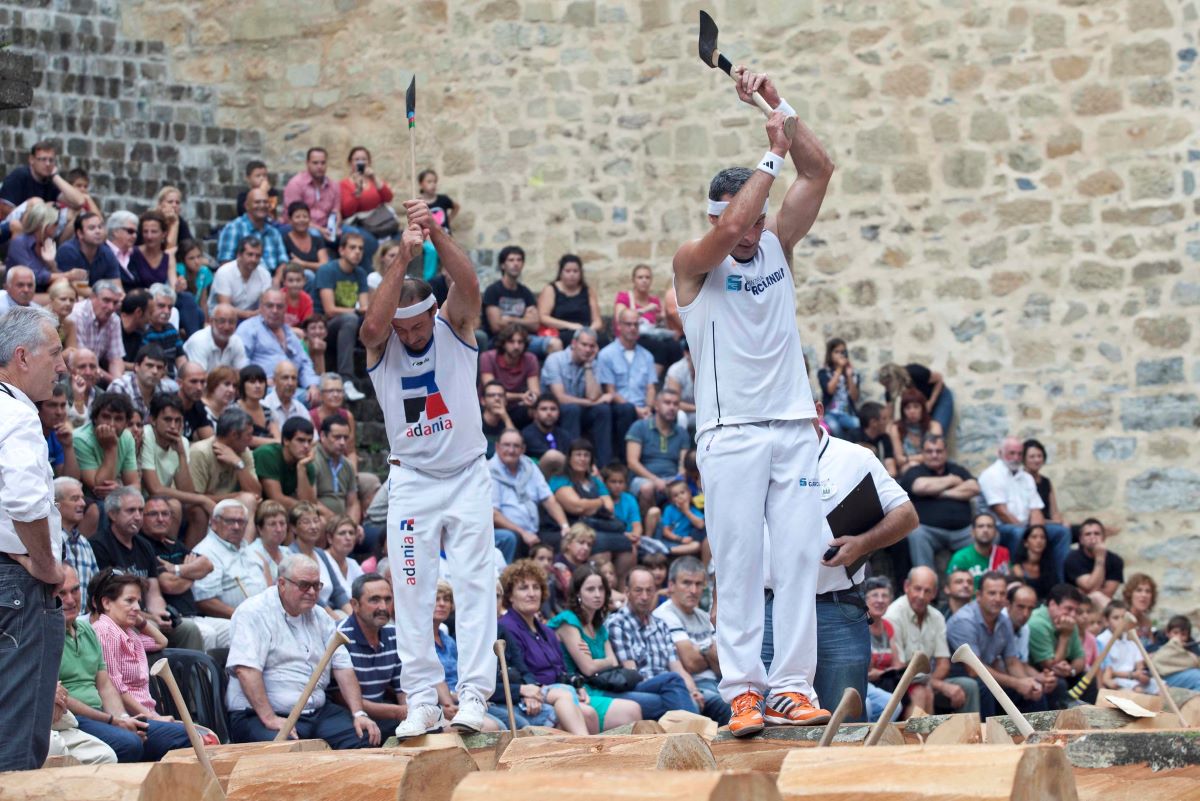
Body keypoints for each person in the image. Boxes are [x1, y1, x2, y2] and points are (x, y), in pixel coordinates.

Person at [672, 66, 837, 736]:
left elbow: (820, 171)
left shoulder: (774, 241)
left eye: (757, 219)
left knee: (799, 559)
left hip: (793, 425)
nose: (750, 231)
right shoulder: (692, 261)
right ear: (715, 217)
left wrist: (777, 103)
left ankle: (792, 685)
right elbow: (738, 215)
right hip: (728, 431)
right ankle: (741, 688)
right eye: (739, 219)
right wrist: (770, 150)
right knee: (737, 565)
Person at [359, 200, 498, 737]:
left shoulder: (453, 324)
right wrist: (402, 256)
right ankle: (421, 699)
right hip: (413, 480)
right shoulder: (383, 341)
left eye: (420, 325)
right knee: (412, 588)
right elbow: (372, 324)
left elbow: (468, 282)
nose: (414, 335)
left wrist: (435, 232)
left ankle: (474, 696)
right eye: (406, 327)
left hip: (466, 474)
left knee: (473, 583)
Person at [761, 407, 917, 722]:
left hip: (834, 608)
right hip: (768, 608)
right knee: (765, 727)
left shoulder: (854, 458)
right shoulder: (760, 458)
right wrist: (721, 595)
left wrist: (864, 543)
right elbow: (730, 533)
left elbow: (907, 515)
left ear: (817, 411)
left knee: (842, 725)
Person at [0, 306, 68, 771]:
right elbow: (25, 501)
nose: (61, 366)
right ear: (22, 357)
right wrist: (46, 564)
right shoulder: (18, 417)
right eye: (56, 353)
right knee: (18, 739)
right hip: (18, 588)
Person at [225, 553, 381, 747]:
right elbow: (246, 670)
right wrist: (269, 718)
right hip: (258, 715)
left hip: (318, 712)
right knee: (288, 752)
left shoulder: (321, 616)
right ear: (282, 584)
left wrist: (359, 713)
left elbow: (343, 666)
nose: (312, 592)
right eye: (304, 585)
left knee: (365, 736)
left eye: (317, 585)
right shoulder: (253, 612)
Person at [80, 569, 194, 760]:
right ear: (106, 603)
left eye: (138, 601)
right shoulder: (104, 631)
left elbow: (161, 641)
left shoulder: (128, 632)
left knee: (203, 736)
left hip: (147, 715)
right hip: (131, 718)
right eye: (129, 600)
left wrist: (139, 620)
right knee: (190, 737)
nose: (137, 606)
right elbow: (116, 687)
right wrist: (154, 717)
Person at [89, 486, 205, 652]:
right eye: (130, 511)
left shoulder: (144, 545)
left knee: (188, 629)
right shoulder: (100, 545)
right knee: (151, 628)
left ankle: (189, 678)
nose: (137, 516)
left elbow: (154, 593)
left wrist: (161, 614)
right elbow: (108, 602)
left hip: (147, 616)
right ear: (112, 514)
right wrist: (150, 618)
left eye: (140, 510)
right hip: (121, 618)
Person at [547, 564, 661, 729]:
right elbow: (588, 668)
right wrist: (603, 661)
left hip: (599, 685)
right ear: (578, 593)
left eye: (601, 589)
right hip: (579, 690)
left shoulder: (598, 625)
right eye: (590, 589)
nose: (597, 595)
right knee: (637, 708)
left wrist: (599, 662)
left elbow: (613, 662)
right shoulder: (568, 621)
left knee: (655, 698)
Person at [497, 560, 600, 734]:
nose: (531, 594)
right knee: (585, 711)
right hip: (533, 695)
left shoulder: (546, 630)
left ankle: (593, 754)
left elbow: (562, 669)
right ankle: (591, 753)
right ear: (510, 596)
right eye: (523, 588)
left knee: (588, 711)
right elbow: (516, 672)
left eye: (536, 587)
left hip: (558, 692)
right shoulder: (506, 627)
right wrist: (526, 692)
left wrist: (578, 686)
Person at [946, 572, 1047, 717]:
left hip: (986, 676)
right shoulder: (964, 621)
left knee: (1033, 692)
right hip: (959, 678)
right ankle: (990, 738)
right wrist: (1017, 684)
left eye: (1002, 593)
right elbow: (974, 669)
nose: (998, 599)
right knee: (987, 688)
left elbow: (1012, 662)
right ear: (979, 595)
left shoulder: (1004, 620)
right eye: (992, 593)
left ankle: (1039, 737)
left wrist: (1028, 683)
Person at [608, 566, 704, 717]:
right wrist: (669, 684)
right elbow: (631, 673)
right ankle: (698, 735)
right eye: (638, 590)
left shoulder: (660, 624)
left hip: (669, 687)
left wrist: (694, 691)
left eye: (649, 590)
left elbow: (677, 667)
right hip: (638, 685)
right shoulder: (617, 623)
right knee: (672, 681)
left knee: (711, 701)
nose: (645, 597)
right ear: (627, 592)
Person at [136, 495, 228, 651]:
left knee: (233, 628)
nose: (160, 519)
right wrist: (193, 574)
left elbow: (207, 565)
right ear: (142, 518)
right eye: (153, 514)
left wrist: (176, 569)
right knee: (208, 634)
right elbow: (168, 584)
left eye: (165, 514)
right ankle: (203, 676)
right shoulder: (144, 546)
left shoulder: (175, 544)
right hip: (174, 617)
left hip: (194, 616)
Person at [884, 566, 979, 714]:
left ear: (934, 593)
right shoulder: (893, 615)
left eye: (927, 591)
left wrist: (931, 682)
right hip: (899, 682)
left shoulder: (937, 616)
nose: (921, 596)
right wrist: (937, 685)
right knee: (922, 692)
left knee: (969, 686)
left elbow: (943, 664)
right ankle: (916, 737)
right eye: (917, 589)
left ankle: (971, 735)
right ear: (906, 586)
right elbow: (899, 669)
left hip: (927, 679)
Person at [978, 436, 1070, 581]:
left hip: (1026, 527)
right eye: (1011, 453)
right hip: (1002, 527)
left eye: (1019, 454)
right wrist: (1029, 534)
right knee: (1019, 533)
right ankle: (1020, 582)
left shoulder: (1026, 477)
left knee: (1061, 532)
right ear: (1000, 453)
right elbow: (1002, 512)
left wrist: (1037, 532)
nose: (1016, 457)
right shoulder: (991, 474)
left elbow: (1036, 510)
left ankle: (1059, 581)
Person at [652, 557, 731, 724]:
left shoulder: (704, 616)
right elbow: (690, 662)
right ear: (671, 585)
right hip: (691, 686)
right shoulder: (664, 615)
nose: (693, 590)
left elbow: (723, 664)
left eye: (698, 584)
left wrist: (701, 652)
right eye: (686, 583)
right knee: (730, 707)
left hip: (717, 682)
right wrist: (708, 652)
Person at [549, 439, 636, 581]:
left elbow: (609, 507)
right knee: (602, 549)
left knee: (629, 548)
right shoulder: (560, 479)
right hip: (574, 528)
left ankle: (621, 588)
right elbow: (575, 506)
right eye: (578, 455)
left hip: (598, 526)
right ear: (569, 457)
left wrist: (587, 505)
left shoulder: (595, 481)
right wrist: (598, 502)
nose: (582, 459)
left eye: (586, 455)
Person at [336, 573, 407, 739]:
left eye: (388, 599)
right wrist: (398, 712)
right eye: (374, 600)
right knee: (365, 737)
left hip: (384, 713)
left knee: (426, 730)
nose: (383, 606)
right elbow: (340, 698)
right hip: (350, 715)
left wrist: (410, 714)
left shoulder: (393, 634)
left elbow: (402, 687)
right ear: (354, 604)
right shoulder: (339, 637)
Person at [899, 434, 980, 572]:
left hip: (963, 531)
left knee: (988, 533)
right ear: (922, 453)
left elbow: (974, 488)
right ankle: (925, 580)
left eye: (939, 451)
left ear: (945, 452)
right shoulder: (915, 471)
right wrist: (952, 481)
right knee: (916, 534)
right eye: (929, 451)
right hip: (929, 531)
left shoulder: (957, 469)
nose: (934, 455)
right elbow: (920, 487)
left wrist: (941, 492)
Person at [541, 327, 621, 466]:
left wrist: (588, 366)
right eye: (584, 345)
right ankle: (572, 462)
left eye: (592, 346)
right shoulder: (555, 360)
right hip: (556, 410)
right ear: (574, 343)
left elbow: (593, 396)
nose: (588, 350)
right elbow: (561, 398)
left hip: (581, 409)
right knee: (572, 409)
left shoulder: (594, 363)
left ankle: (605, 466)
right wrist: (591, 403)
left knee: (603, 410)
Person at [140, 393, 212, 542]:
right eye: (167, 420)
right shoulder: (146, 435)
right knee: (174, 506)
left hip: (163, 498)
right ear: (153, 420)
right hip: (142, 497)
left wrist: (181, 454)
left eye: (178, 421)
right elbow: (155, 489)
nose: (173, 426)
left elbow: (186, 491)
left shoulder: (182, 442)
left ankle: (188, 557)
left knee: (198, 511)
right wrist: (203, 499)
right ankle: (167, 554)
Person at [489, 428, 570, 560]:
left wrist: (565, 526)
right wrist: (523, 533)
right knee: (511, 538)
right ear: (497, 447)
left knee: (567, 539)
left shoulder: (529, 465)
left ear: (523, 449)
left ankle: (560, 577)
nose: (511, 450)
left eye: (516, 446)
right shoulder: (489, 471)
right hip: (511, 533)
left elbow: (548, 499)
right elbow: (493, 514)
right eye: (507, 445)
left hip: (534, 531)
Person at [237, 288, 321, 404]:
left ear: (285, 309)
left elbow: (305, 362)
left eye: (279, 306)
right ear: (261, 307)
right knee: (304, 399)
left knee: (329, 389)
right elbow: (240, 361)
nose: (275, 311)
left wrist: (312, 385)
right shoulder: (249, 329)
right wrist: (261, 380)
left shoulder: (289, 333)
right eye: (270, 306)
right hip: (266, 388)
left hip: (293, 385)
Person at [315, 233, 369, 395]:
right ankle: (346, 380)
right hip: (325, 326)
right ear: (341, 250)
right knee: (351, 318)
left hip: (350, 322)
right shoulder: (327, 270)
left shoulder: (360, 273)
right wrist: (358, 310)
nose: (357, 252)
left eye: (360, 248)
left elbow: (365, 306)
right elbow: (329, 309)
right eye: (352, 248)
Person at [482, 245, 560, 355]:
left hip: (524, 339)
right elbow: (496, 326)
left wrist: (510, 319)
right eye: (511, 260)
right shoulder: (493, 291)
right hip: (499, 340)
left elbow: (535, 325)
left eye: (519, 260)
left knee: (555, 344)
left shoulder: (526, 293)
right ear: (503, 265)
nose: (516, 263)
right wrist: (524, 320)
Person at [625, 389, 690, 515]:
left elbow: (683, 465)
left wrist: (676, 480)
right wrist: (655, 480)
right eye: (667, 403)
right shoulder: (639, 427)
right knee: (647, 488)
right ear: (656, 405)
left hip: (672, 479)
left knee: (682, 489)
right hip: (643, 478)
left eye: (675, 404)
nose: (672, 407)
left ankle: (674, 530)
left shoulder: (682, 432)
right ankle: (648, 529)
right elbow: (632, 462)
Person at [1025, 583, 1088, 707]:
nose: (1073, 615)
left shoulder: (1069, 622)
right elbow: (1049, 664)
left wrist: (1071, 670)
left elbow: (1081, 658)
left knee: (1085, 678)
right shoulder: (1037, 623)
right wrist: (1065, 636)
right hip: (1034, 670)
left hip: (1061, 669)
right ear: (1053, 604)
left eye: (1076, 610)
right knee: (1058, 683)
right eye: (1069, 609)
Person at [287, 502, 351, 617]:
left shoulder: (320, 553)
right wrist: (334, 618)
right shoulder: (291, 555)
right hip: (308, 614)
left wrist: (352, 617)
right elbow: (310, 593)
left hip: (332, 612)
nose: (313, 526)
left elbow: (337, 591)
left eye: (316, 521)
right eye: (306, 522)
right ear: (293, 528)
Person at [596, 308, 657, 427]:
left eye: (636, 324)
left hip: (644, 408)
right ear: (619, 326)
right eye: (628, 324)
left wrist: (648, 408)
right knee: (626, 410)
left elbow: (651, 388)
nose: (633, 328)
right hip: (619, 408)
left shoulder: (647, 356)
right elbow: (610, 390)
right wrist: (636, 410)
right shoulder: (606, 354)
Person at [339, 145, 395, 269]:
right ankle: (370, 275)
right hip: (358, 224)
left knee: (398, 239)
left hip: (378, 221)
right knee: (369, 242)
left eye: (364, 159)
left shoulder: (373, 180)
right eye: (357, 159)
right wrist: (357, 191)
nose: (361, 162)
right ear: (350, 163)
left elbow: (388, 197)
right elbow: (347, 211)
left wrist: (374, 178)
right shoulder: (345, 184)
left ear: (369, 162)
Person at [0, 141, 88, 218]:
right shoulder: (19, 176)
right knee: (36, 202)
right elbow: (5, 210)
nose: (47, 164)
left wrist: (55, 176)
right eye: (43, 159)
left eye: (51, 160)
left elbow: (79, 202)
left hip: (42, 229)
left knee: (77, 213)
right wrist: (42, 209)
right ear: (31, 160)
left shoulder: (50, 181)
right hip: (14, 226)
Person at [480, 323, 541, 430]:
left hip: (515, 407)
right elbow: (491, 391)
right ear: (503, 343)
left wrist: (532, 398)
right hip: (488, 405)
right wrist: (521, 396)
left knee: (535, 411)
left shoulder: (530, 359)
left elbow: (535, 391)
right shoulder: (488, 357)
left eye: (520, 342)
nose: (516, 346)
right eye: (511, 342)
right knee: (493, 400)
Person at [216, 188, 289, 277]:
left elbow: (283, 261)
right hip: (243, 279)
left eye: (265, 202)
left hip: (272, 279)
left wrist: (276, 280)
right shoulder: (234, 228)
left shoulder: (273, 232)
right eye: (257, 202)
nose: (262, 205)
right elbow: (225, 263)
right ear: (247, 205)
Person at [254, 416, 318, 513]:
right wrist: (305, 508)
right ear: (286, 441)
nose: (306, 446)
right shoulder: (267, 454)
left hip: (286, 511)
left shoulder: (305, 463)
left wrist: (301, 468)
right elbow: (276, 498)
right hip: (259, 507)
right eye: (300, 440)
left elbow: (310, 504)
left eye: (309, 441)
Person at [536, 253, 602, 346]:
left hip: (586, 331)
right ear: (561, 272)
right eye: (568, 271)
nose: (572, 274)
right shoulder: (551, 289)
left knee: (603, 340)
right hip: (562, 331)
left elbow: (597, 321)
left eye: (575, 271)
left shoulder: (588, 291)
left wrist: (589, 331)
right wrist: (569, 326)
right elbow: (543, 317)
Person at [68, 279, 126, 381]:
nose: (111, 307)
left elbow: (116, 359)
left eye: (115, 302)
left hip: (97, 374)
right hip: (75, 373)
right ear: (92, 297)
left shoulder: (114, 319)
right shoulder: (78, 315)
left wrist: (119, 383)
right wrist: (113, 381)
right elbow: (81, 359)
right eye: (106, 300)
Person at [877, 362, 954, 435]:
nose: (886, 388)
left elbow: (939, 379)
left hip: (940, 396)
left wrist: (930, 403)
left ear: (895, 379)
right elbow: (889, 410)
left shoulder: (916, 372)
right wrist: (889, 426)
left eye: (887, 384)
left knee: (937, 431)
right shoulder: (890, 389)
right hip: (920, 404)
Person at [1063, 518, 1124, 608]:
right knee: (1096, 596)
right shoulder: (1073, 558)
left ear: (1103, 537)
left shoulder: (1115, 560)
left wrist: (1086, 591)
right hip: (1078, 605)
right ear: (1081, 539)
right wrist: (1100, 558)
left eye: (1097, 533)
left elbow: (1108, 593)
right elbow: (1090, 587)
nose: (1093, 537)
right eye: (1088, 534)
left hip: (1103, 605)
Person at [1098, 600, 1156, 694]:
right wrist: (1132, 675)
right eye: (1116, 618)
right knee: (1138, 691)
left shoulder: (1130, 639)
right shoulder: (1102, 640)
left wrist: (1141, 673)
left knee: (1160, 687)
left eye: (1124, 617)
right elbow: (1107, 671)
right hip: (1118, 679)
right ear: (1106, 621)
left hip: (1134, 678)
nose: (1121, 621)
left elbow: (1139, 662)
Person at [283, 147, 339, 242]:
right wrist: (321, 230)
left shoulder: (333, 185)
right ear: (307, 163)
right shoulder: (296, 184)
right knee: (315, 235)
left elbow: (336, 212)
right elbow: (294, 217)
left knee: (358, 236)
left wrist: (335, 227)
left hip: (327, 227)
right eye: (315, 163)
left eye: (323, 163)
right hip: (302, 226)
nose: (319, 166)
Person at [312, 415, 361, 521]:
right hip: (319, 518)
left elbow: (353, 503)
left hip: (342, 523)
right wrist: (336, 522)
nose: (342, 442)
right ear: (323, 436)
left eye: (345, 438)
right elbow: (311, 501)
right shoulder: (312, 460)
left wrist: (351, 525)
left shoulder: (348, 465)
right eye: (337, 437)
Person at [212, 237, 272, 319]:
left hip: (253, 319)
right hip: (224, 319)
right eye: (250, 254)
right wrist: (249, 315)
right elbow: (225, 306)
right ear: (239, 255)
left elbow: (266, 304)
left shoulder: (264, 274)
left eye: (257, 256)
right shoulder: (224, 272)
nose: (254, 259)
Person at [946, 513, 1011, 589]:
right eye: (981, 526)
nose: (985, 530)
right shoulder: (961, 557)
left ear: (996, 532)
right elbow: (954, 588)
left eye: (989, 526)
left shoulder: (1003, 553)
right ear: (972, 532)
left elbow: (1008, 582)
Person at [888, 389, 942, 472]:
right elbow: (899, 460)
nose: (912, 411)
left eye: (916, 407)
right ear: (903, 411)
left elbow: (936, 454)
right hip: (908, 469)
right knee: (913, 466)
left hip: (932, 466)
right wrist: (923, 458)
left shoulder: (934, 426)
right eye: (908, 408)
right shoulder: (896, 428)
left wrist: (907, 459)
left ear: (922, 409)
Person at [183, 303, 248, 371]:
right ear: (211, 322)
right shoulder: (198, 341)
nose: (227, 327)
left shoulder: (236, 341)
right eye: (222, 321)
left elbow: (241, 372)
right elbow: (199, 377)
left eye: (231, 322)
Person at [817, 338, 860, 440]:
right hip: (830, 413)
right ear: (830, 354)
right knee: (835, 427)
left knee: (858, 424)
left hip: (847, 412)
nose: (840, 355)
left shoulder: (853, 373)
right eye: (836, 352)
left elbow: (855, 397)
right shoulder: (823, 372)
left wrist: (849, 376)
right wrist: (840, 368)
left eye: (843, 352)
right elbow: (830, 390)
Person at [1022, 439, 1065, 529]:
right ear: (1024, 459)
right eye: (1032, 457)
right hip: (1031, 525)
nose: (1037, 460)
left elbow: (1054, 511)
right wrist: (1053, 522)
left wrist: (1060, 521)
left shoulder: (1046, 482)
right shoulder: (1020, 481)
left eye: (1039, 456)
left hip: (1049, 523)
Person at [520, 393, 570, 472]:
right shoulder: (527, 434)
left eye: (553, 409)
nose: (549, 413)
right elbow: (552, 457)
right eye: (544, 409)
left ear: (558, 413)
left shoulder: (564, 434)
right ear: (535, 413)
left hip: (561, 477)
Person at [235, 364, 279, 448]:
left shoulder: (268, 412)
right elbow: (243, 440)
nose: (258, 386)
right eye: (252, 382)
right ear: (242, 385)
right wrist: (273, 441)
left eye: (261, 382)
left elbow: (278, 440)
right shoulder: (234, 411)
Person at [1010, 524, 1057, 602]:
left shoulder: (1050, 566)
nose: (1039, 541)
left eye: (1043, 537)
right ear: (1026, 543)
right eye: (1034, 537)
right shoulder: (1017, 566)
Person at [264, 360, 310, 428]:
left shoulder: (300, 408)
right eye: (285, 378)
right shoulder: (266, 406)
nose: (290, 383)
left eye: (294, 378)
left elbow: (314, 437)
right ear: (274, 381)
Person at [1122, 573, 1160, 648]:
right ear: (1130, 594)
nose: (1144, 595)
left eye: (1148, 591)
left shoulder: (1147, 621)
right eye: (1139, 590)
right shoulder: (1122, 618)